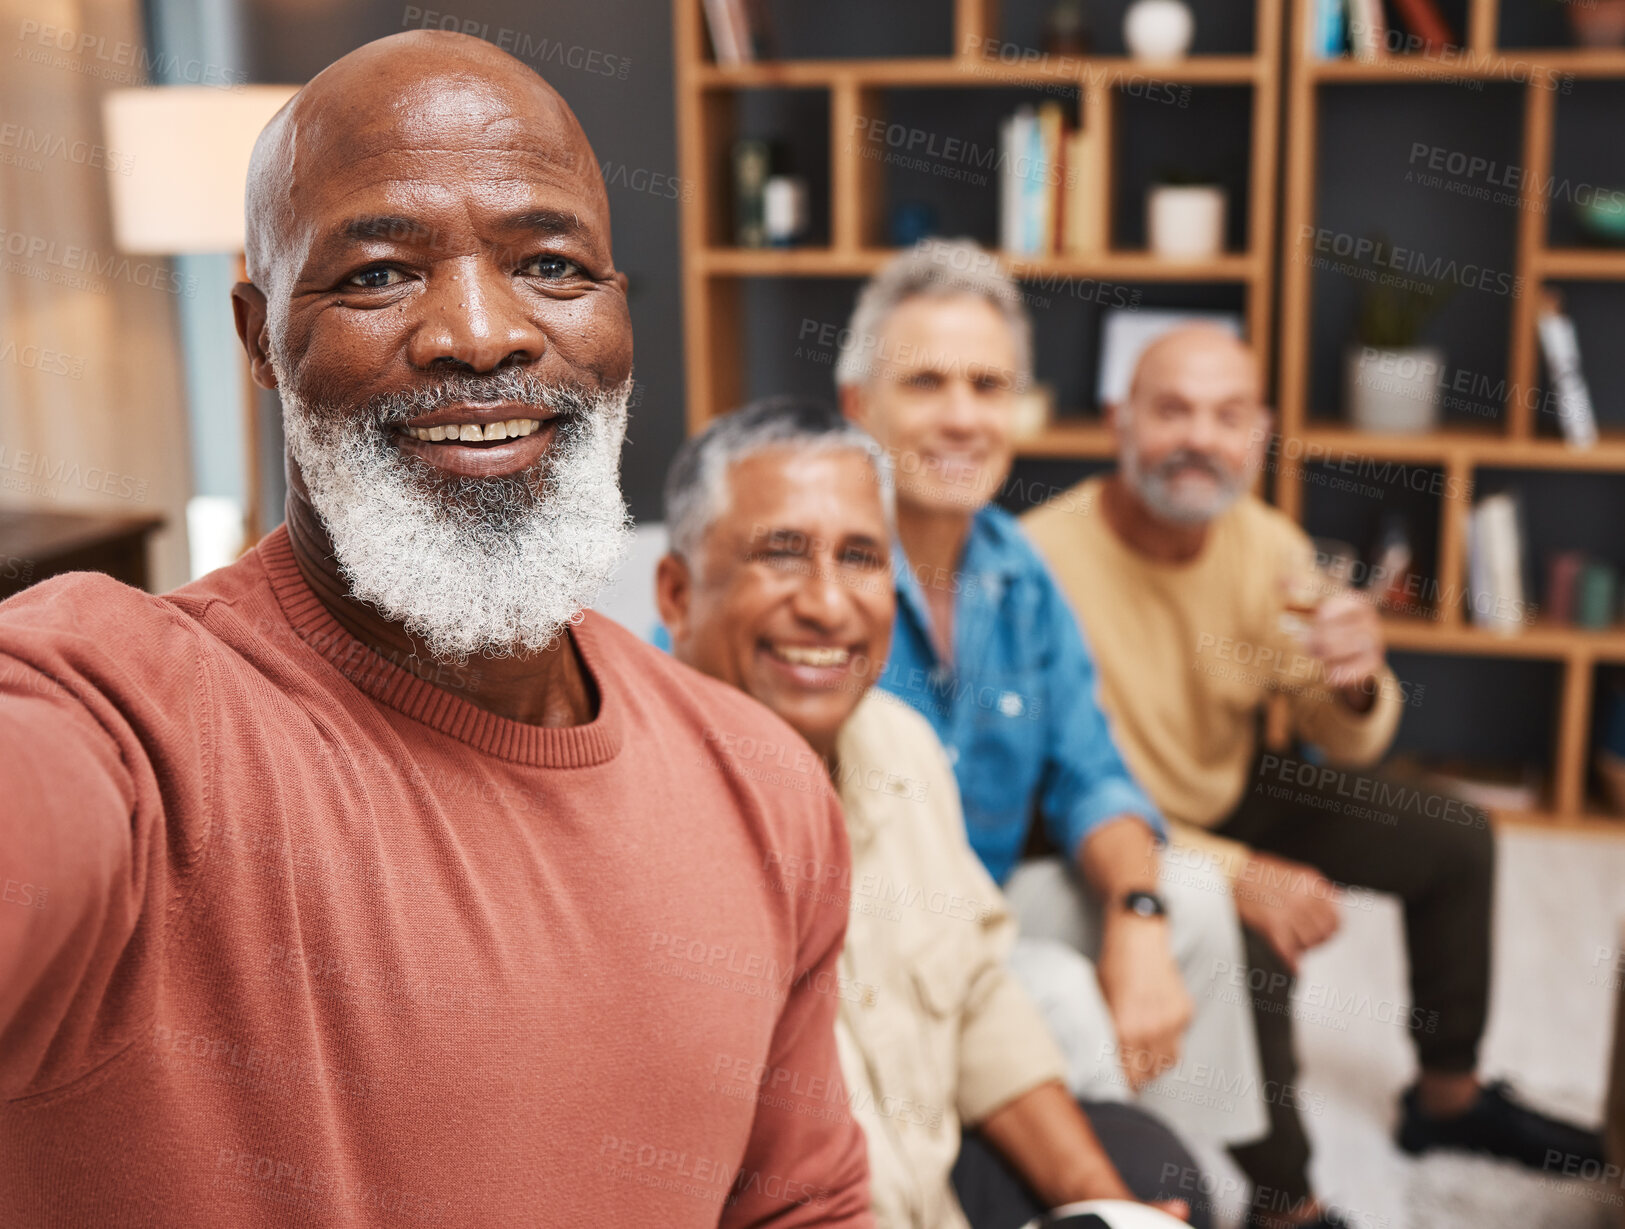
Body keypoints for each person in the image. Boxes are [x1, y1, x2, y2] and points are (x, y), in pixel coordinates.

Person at [0, 33, 871, 1227]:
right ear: (257, 337)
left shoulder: (763, 784)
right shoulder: (122, 708)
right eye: (376, 275)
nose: (479, 332)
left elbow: (798, 1207)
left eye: (551, 265)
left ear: (619, 315)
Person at [1022, 322, 1606, 1228]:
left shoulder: (1264, 544)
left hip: (1229, 782)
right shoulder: (1039, 564)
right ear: (1118, 423)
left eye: (1226, 416)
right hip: (1112, 836)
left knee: (1454, 838)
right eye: (1171, 409)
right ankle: (1284, 1204)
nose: (1198, 439)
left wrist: (1358, 679)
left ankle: (1446, 1098)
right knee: (1249, 955)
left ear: (1257, 435)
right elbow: (1050, 792)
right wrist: (1231, 873)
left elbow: (1342, 735)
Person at [656, 396, 1211, 1229]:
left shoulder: (901, 744)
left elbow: (979, 997)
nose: (828, 604)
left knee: (1152, 1169)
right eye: (781, 554)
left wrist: (1103, 1204)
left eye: (859, 557)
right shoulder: (637, 827)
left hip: (928, 1187)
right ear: (677, 594)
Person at [833, 239, 1267, 1152]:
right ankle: (1122, 1188)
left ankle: (1199, 1187)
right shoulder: (803, 564)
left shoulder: (1017, 572)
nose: (961, 418)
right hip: (853, 948)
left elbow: (1092, 774)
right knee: (1062, 992)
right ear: (857, 406)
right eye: (925, 384)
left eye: (988, 387)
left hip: (978, 903)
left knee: (1184, 894)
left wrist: (1136, 915)